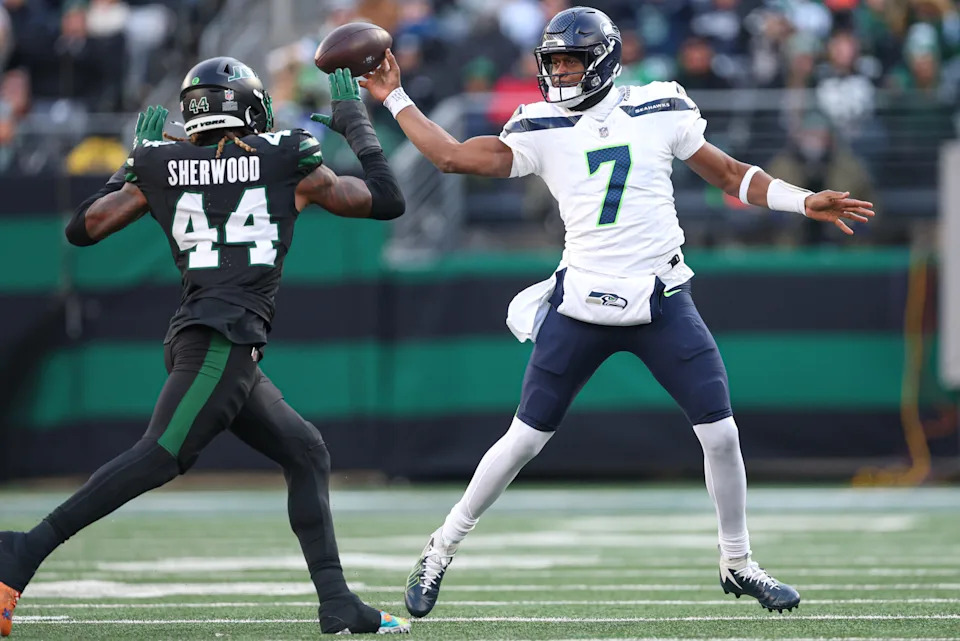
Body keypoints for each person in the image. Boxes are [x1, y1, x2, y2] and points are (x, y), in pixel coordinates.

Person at [358, 6, 874, 619]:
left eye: (573, 60)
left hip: (660, 298)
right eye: (554, 62)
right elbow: (450, 157)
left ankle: (737, 562)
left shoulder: (661, 107)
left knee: (721, 432)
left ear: (603, 59)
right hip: (582, 300)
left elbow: (732, 175)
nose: (562, 73)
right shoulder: (539, 123)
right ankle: (439, 549)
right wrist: (395, 99)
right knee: (523, 439)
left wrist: (801, 199)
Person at [0, 57, 410, 636]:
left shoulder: (160, 164)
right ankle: (21, 551)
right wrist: (355, 122)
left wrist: (131, 164)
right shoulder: (288, 157)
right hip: (222, 342)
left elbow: (81, 229)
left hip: (206, 339)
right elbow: (387, 199)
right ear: (248, 107)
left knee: (305, 449)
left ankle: (337, 601)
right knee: (160, 456)